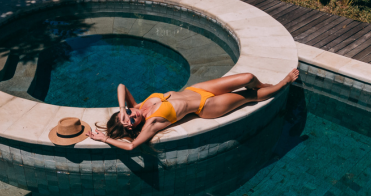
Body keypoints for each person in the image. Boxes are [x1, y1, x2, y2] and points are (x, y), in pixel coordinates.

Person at [86, 69, 299, 151]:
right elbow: (132, 146)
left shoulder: (137, 108)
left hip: (198, 90)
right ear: (134, 127)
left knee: (248, 78)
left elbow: (121, 86)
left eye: (128, 115)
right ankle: (282, 84)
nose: (133, 116)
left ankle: (263, 85)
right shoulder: (151, 123)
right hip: (207, 107)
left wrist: (123, 109)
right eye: (131, 121)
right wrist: (104, 139)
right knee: (249, 96)